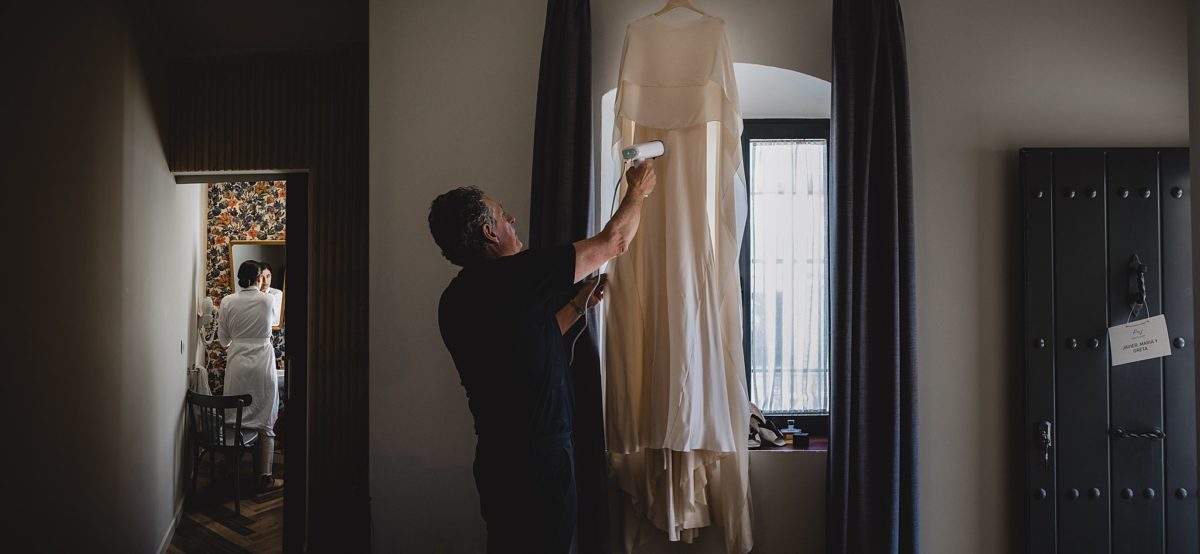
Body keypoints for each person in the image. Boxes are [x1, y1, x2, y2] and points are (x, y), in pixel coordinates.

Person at [429, 161, 656, 553]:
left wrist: (576, 308)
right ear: (489, 232)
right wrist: (638, 191)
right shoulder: (519, 275)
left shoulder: (453, 300)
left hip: (497, 459)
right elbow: (614, 242)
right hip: (540, 458)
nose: (511, 219)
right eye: (503, 216)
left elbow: (522, 347)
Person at [218, 259, 280, 491]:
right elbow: (272, 322)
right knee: (266, 417)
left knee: (234, 415)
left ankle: (231, 472)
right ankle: (265, 476)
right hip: (262, 365)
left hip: (238, 365)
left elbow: (224, 341)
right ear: (258, 279)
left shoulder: (227, 301)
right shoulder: (268, 300)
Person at [258, 262, 284, 328]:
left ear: (271, 276)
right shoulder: (251, 294)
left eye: (268, 276)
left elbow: (275, 320)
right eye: (262, 277)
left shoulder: (277, 294)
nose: (265, 281)